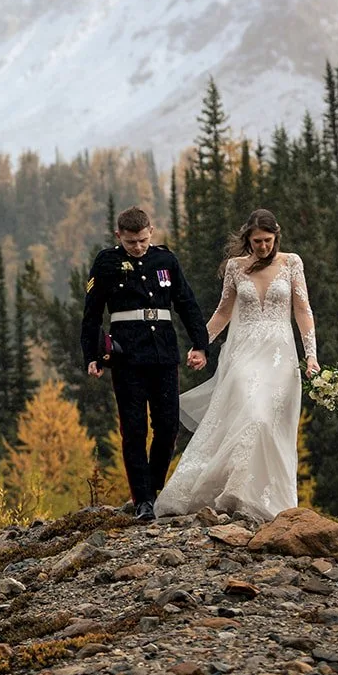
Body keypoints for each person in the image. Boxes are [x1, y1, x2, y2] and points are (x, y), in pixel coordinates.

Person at [155, 208, 319, 522]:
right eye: (257, 241)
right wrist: (201, 345)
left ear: (276, 236)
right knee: (252, 414)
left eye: (268, 240)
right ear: (248, 239)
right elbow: (223, 311)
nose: (263, 247)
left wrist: (311, 355)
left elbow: (303, 310)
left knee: (269, 424)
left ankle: (261, 497)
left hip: (279, 356)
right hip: (243, 353)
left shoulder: (291, 263)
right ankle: (233, 490)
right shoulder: (235, 268)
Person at [80, 207, 210, 522]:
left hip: (164, 353)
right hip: (127, 357)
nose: (137, 247)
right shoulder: (106, 262)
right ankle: (143, 501)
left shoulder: (166, 261)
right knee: (134, 429)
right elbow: (93, 312)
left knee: (167, 427)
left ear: (151, 231)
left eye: (141, 240)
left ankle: (154, 487)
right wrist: (92, 356)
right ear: (118, 237)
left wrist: (201, 345)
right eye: (130, 242)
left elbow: (186, 303)